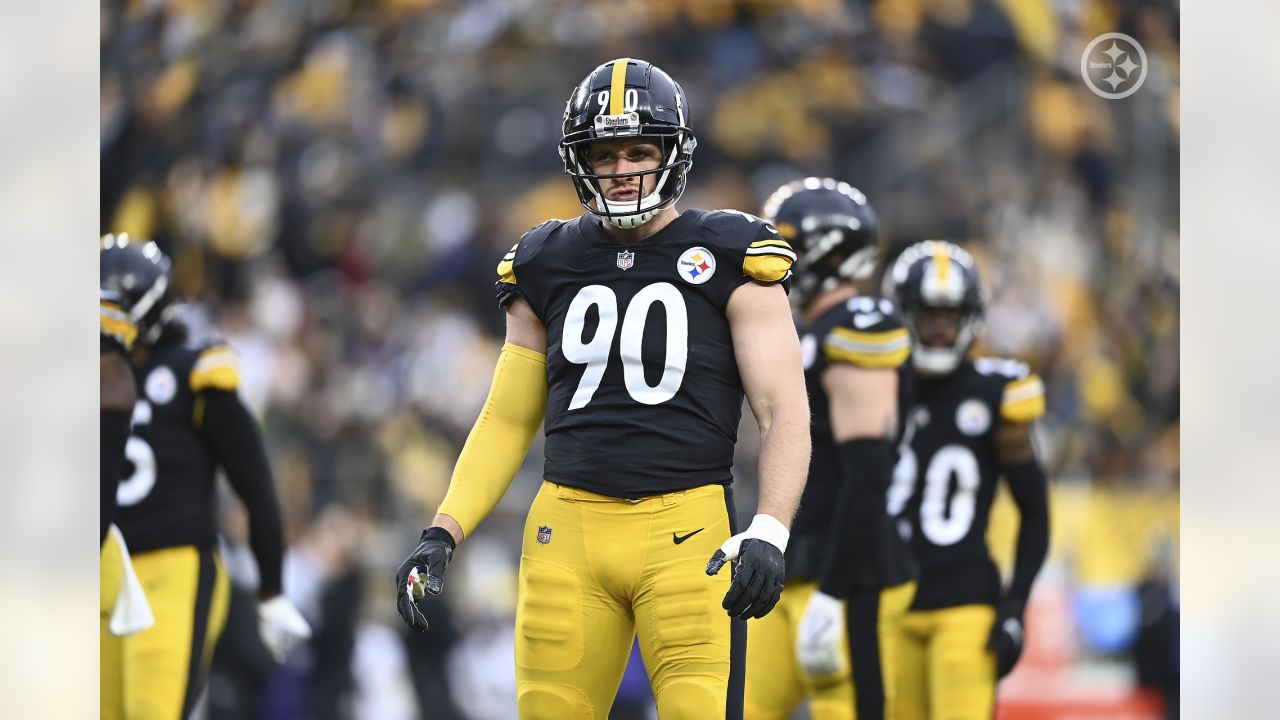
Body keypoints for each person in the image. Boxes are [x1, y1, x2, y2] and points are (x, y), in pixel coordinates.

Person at [394, 58, 811, 719]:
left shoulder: (732, 253)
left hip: (688, 532)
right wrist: (443, 530)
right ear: (578, 160)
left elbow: (783, 407)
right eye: (604, 152)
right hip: (568, 532)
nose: (621, 168)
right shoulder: (545, 260)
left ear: (673, 153)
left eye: (639, 150)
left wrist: (770, 526)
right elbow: (507, 417)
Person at [100, 234, 311, 720]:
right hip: (104, 567)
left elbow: (255, 483)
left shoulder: (194, 373)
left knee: (152, 711)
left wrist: (272, 588)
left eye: (109, 307)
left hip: (173, 566)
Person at [744, 178, 917, 720]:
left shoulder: (860, 325)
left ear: (825, 252)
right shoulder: (806, 332)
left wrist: (835, 592)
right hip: (794, 563)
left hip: (851, 574)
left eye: (787, 246)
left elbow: (869, 476)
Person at [884, 241, 1050, 720]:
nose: (938, 327)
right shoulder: (872, 382)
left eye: (949, 314)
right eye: (926, 313)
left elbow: (1035, 510)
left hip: (965, 604)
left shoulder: (999, 392)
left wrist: (1016, 606)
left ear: (971, 316)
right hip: (888, 599)